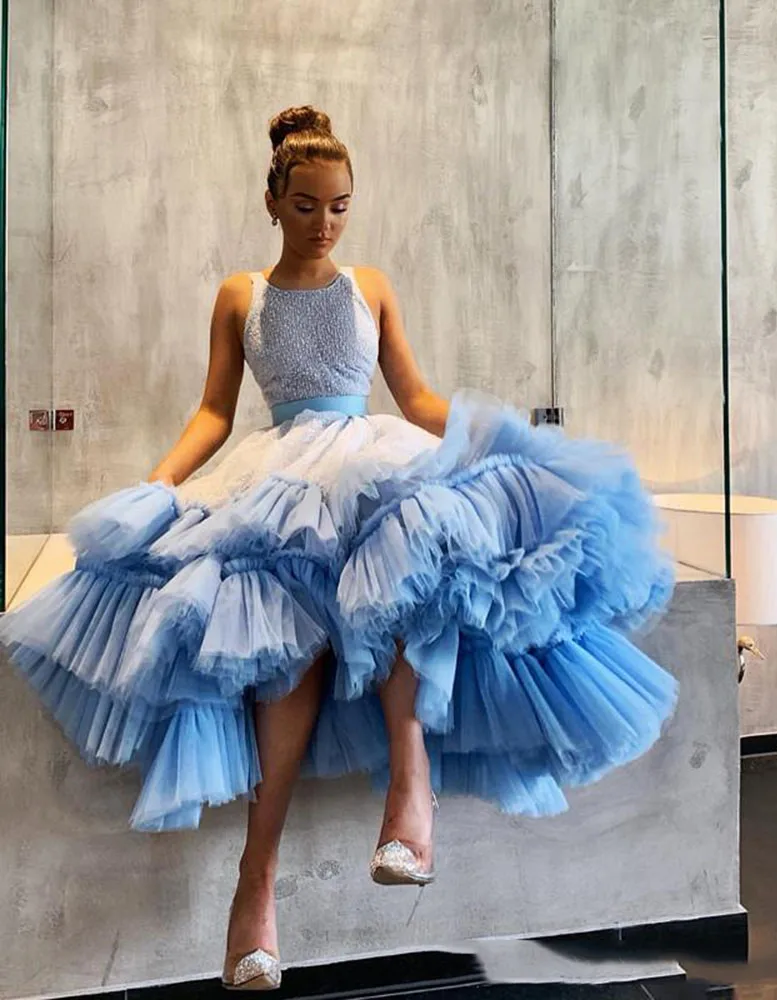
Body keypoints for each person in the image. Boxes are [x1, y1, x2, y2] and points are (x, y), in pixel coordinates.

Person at [0, 106, 678, 991]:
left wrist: (493, 433)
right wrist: (159, 483)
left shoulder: (372, 286)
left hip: (368, 457)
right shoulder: (240, 295)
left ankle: (409, 799)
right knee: (285, 643)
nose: (325, 223)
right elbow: (214, 411)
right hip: (280, 471)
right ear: (273, 202)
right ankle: (257, 881)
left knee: (400, 567)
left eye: (341, 206)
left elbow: (414, 395)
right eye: (308, 205)